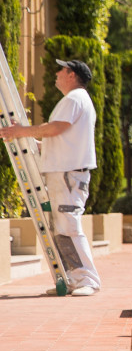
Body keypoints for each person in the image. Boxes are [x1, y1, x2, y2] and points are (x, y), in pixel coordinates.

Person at [0, 59, 100, 296]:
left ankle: (87, 279)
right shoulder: (77, 100)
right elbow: (60, 139)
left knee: (69, 226)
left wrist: (22, 131)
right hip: (66, 173)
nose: (56, 74)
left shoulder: (74, 99)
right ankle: (74, 279)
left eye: (61, 70)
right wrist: (30, 141)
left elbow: (56, 128)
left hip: (68, 175)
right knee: (62, 227)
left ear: (71, 75)